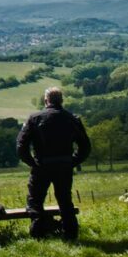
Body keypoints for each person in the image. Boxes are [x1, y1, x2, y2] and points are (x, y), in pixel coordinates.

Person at [16, 87, 90, 240]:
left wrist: (33, 163)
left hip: (42, 165)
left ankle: (38, 234)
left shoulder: (35, 118)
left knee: (35, 201)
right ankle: (70, 234)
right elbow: (85, 147)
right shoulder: (72, 119)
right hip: (64, 166)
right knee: (65, 200)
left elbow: (21, 146)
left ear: (45, 101)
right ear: (62, 101)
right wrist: (72, 161)